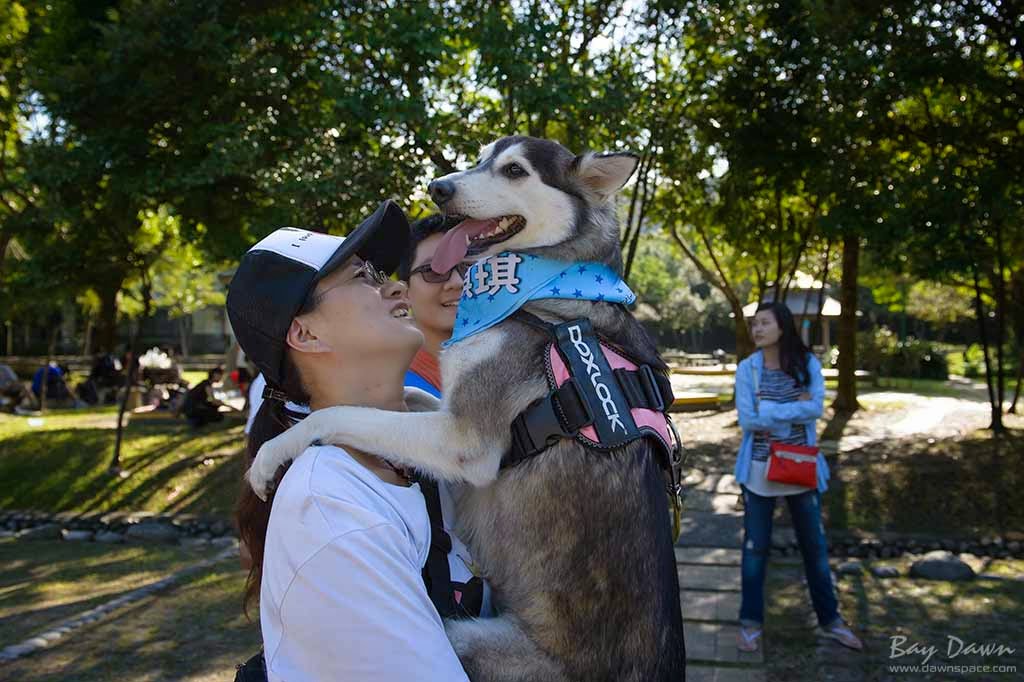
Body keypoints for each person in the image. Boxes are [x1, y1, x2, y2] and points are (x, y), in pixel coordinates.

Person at [228, 201, 470, 681]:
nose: (397, 285)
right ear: (305, 332)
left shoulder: (428, 459)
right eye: (363, 278)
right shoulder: (332, 506)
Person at [733, 301, 863, 653]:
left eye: (764, 323)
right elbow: (748, 419)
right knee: (755, 550)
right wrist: (792, 409)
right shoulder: (749, 369)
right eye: (754, 324)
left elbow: (816, 408)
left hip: (801, 468)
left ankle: (831, 621)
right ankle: (750, 623)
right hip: (759, 472)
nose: (756, 329)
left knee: (815, 549)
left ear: (782, 327)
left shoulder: (807, 365)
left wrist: (771, 410)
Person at [398, 213, 488, 618]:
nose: (455, 282)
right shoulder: (388, 392)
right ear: (401, 291)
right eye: (433, 272)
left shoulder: (516, 376)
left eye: (467, 267)